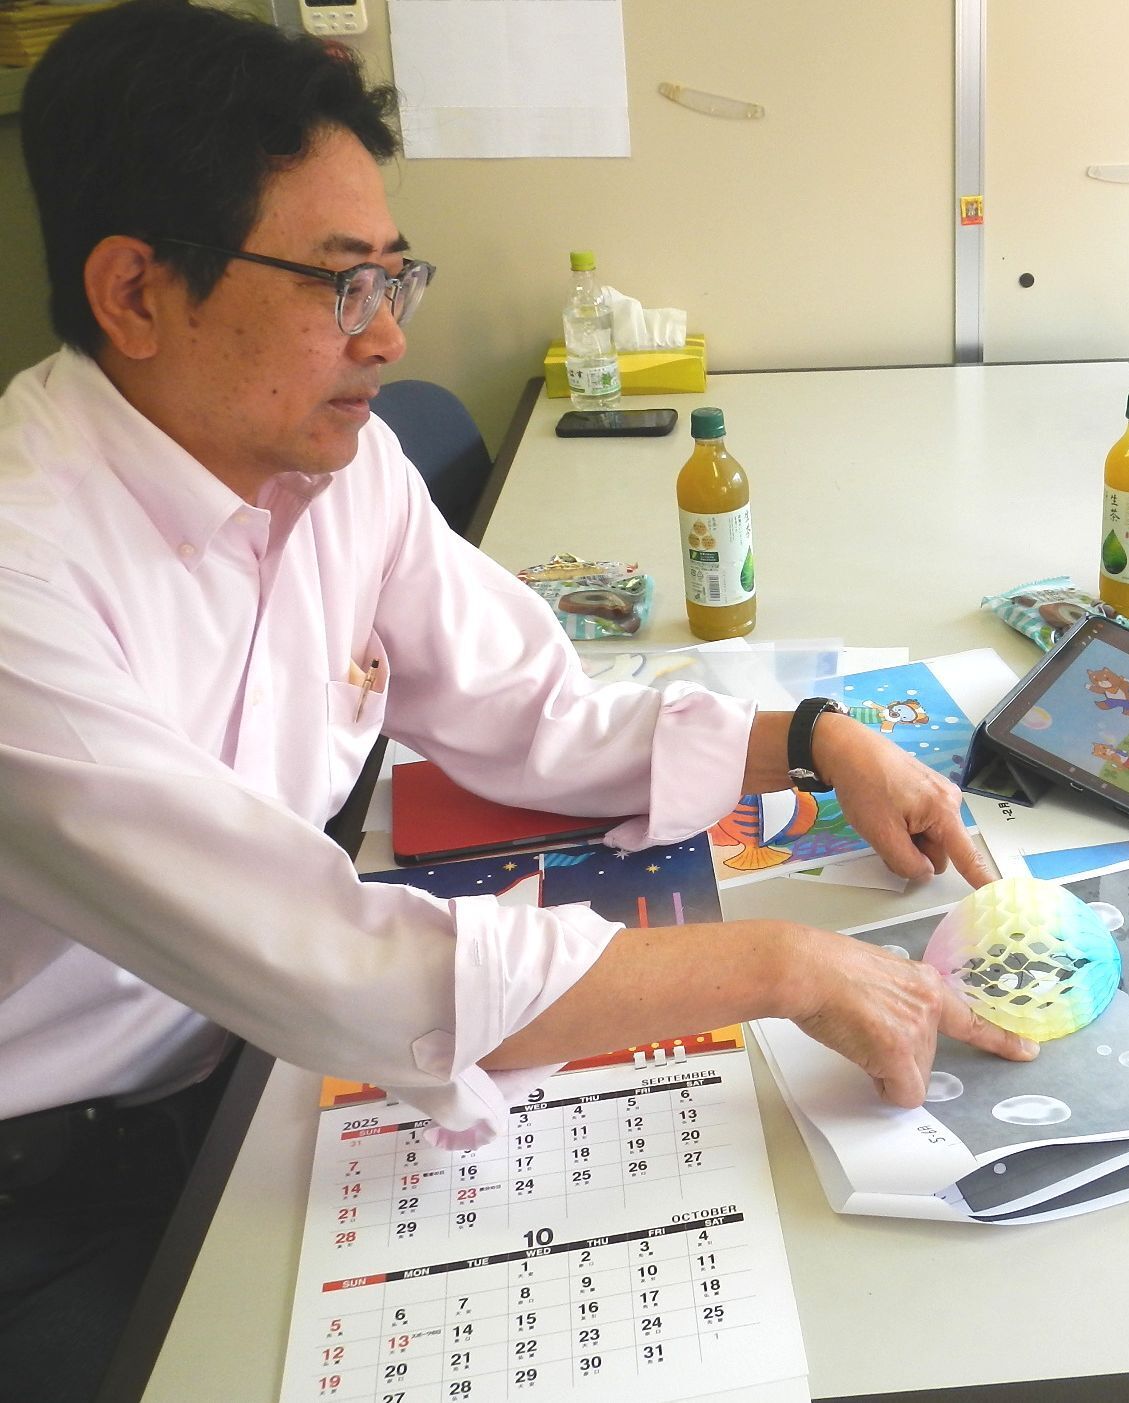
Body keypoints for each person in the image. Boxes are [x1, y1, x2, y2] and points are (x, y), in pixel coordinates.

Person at [0, 5, 1030, 1395]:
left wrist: (808, 738)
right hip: (55, 1186)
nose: (384, 336)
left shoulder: (334, 465)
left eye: (393, 277)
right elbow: (333, 959)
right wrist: (785, 966)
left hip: (256, 1072)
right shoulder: (23, 578)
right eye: (338, 284)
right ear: (134, 292)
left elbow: (530, 710)